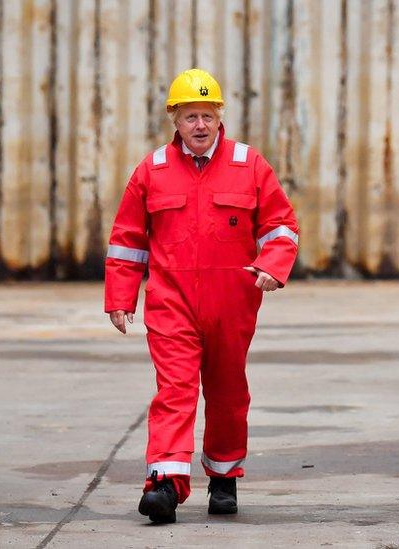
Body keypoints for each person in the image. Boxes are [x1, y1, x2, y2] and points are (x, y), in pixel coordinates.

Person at [104, 68, 299, 523]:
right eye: (190, 116)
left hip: (233, 304)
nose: (199, 126)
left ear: (219, 117)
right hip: (171, 304)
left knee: (228, 392)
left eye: (207, 116)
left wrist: (272, 268)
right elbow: (127, 239)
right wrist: (120, 296)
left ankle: (224, 476)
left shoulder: (248, 164)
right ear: (174, 119)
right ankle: (165, 483)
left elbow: (281, 226)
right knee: (174, 390)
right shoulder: (150, 171)